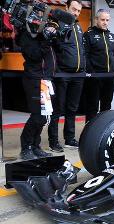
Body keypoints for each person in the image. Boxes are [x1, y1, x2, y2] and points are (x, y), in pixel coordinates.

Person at [48, 0, 85, 152]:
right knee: (58, 109)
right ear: (66, 8)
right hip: (62, 73)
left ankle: (69, 139)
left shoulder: (78, 26)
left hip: (78, 75)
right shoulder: (57, 23)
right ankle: (53, 141)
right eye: (74, 9)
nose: (76, 13)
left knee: (72, 109)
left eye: (79, 11)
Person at [16, 27, 55, 159]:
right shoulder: (26, 36)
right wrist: (46, 41)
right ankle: (26, 147)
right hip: (33, 79)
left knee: (44, 116)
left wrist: (50, 36)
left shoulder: (42, 35)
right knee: (37, 115)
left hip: (46, 81)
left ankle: (34, 146)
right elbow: (35, 55)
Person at [83, 9, 114, 123]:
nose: (105, 22)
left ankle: (104, 130)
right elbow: (85, 55)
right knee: (92, 107)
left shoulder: (112, 36)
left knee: (107, 106)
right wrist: (93, 73)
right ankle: (89, 132)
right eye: (102, 19)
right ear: (96, 20)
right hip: (94, 78)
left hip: (110, 78)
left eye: (107, 20)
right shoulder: (88, 35)